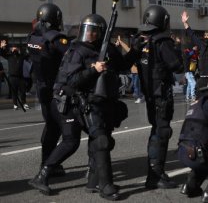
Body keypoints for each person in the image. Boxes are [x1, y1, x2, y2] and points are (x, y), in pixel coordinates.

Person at [29, 13, 132, 200]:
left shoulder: (106, 48)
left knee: (101, 140)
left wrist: (137, 49)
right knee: (79, 140)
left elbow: (124, 64)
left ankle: (94, 181)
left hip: (97, 102)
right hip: (74, 102)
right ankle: (44, 175)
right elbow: (72, 81)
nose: (90, 35)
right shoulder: (77, 50)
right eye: (87, 30)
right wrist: (94, 70)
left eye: (94, 31)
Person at [136, 5, 183, 189]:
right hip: (160, 94)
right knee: (161, 133)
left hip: (148, 93)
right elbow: (176, 65)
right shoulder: (163, 41)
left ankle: (153, 173)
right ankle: (156, 175)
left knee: (157, 130)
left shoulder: (141, 40)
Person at [26, 3, 69, 174]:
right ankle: (49, 165)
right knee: (66, 131)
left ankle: (47, 160)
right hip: (55, 88)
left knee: (51, 125)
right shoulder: (56, 39)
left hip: (41, 87)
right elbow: (71, 54)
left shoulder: (32, 38)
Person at [0, 41, 29, 110]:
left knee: (23, 91)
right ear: (11, 50)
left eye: (16, 48)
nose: (14, 49)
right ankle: (15, 104)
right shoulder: (9, 56)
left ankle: (24, 103)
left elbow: (28, 53)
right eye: (13, 48)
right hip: (12, 77)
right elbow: (1, 52)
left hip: (21, 77)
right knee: (14, 92)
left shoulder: (21, 56)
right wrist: (2, 46)